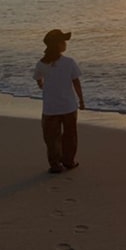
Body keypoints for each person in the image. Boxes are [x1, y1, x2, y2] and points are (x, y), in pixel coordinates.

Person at [33, 29, 85, 173]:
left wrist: (42, 85)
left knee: (51, 138)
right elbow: (76, 82)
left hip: (50, 107)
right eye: (63, 42)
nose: (65, 44)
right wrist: (81, 100)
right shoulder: (69, 62)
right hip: (68, 105)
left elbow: (38, 79)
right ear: (57, 45)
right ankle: (68, 161)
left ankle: (55, 164)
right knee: (70, 135)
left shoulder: (41, 64)